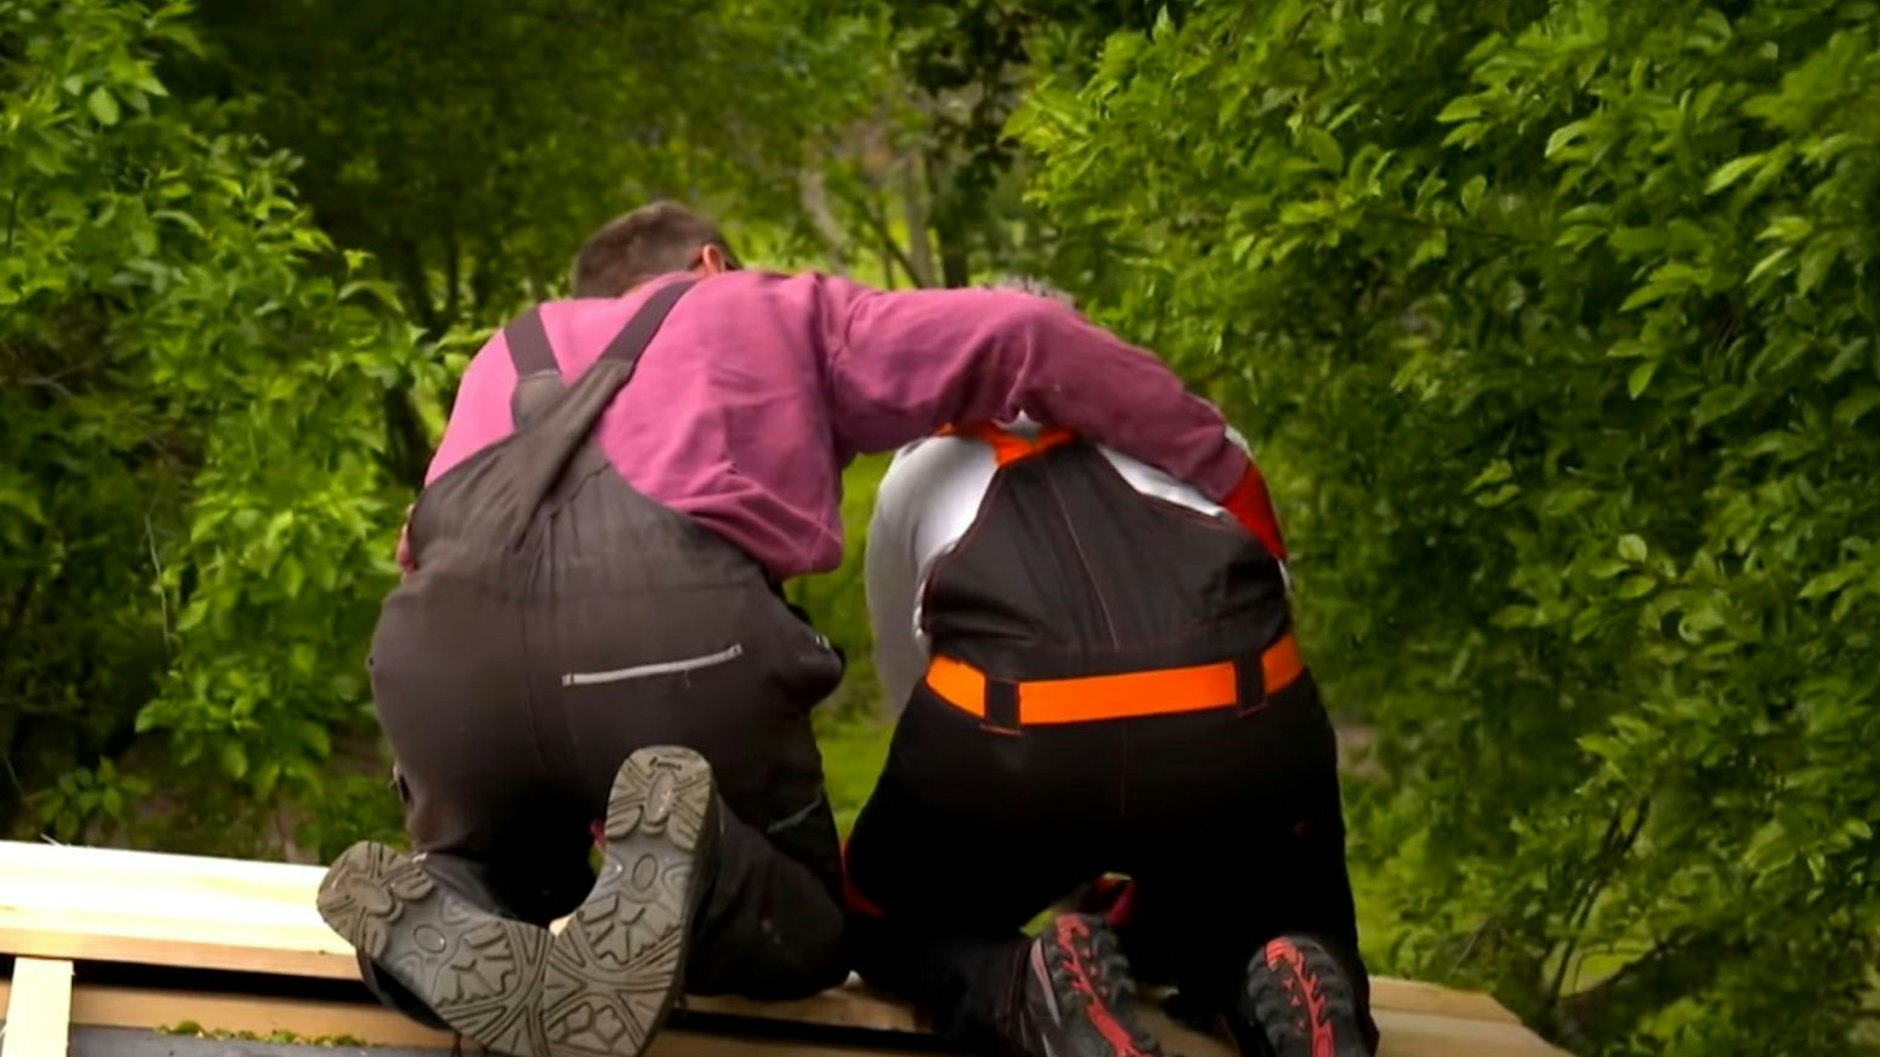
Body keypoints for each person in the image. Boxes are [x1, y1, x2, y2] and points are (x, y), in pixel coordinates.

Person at [315, 205, 1277, 1057]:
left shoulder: (506, 348)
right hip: (672, 643)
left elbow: (421, 543)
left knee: (503, 863)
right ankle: (698, 863)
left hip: (440, 662)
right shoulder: (762, 307)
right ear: (710, 263)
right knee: (816, 928)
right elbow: (1022, 333)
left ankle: (443, 902)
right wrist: (1221, 470)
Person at [842, 279, 1379, 1057]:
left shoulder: (918, 467)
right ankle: (1284, 967)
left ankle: (1020, 984)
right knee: (1272, 898)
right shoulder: (1199, 430)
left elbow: (909, 689)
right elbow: (1270, 597)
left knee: (883, 916)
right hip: (1235, 731)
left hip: (1015, 748)